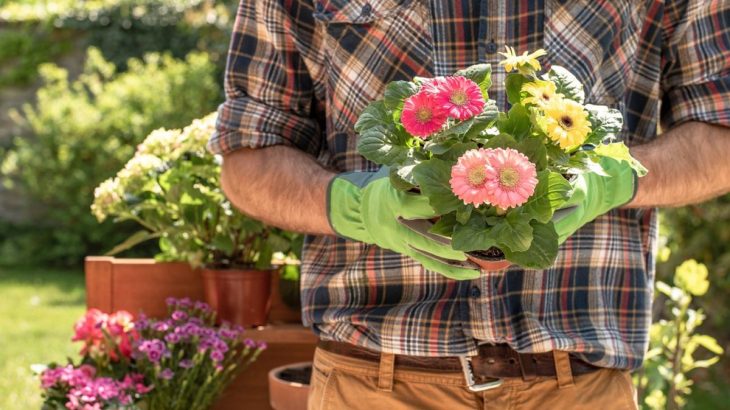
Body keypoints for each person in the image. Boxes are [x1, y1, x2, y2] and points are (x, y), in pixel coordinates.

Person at [209, 1, 730, 408]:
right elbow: (249, 154)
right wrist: (352, 204)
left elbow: (719, 133)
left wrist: (615, 177)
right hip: (373, 384)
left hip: (578, 389)